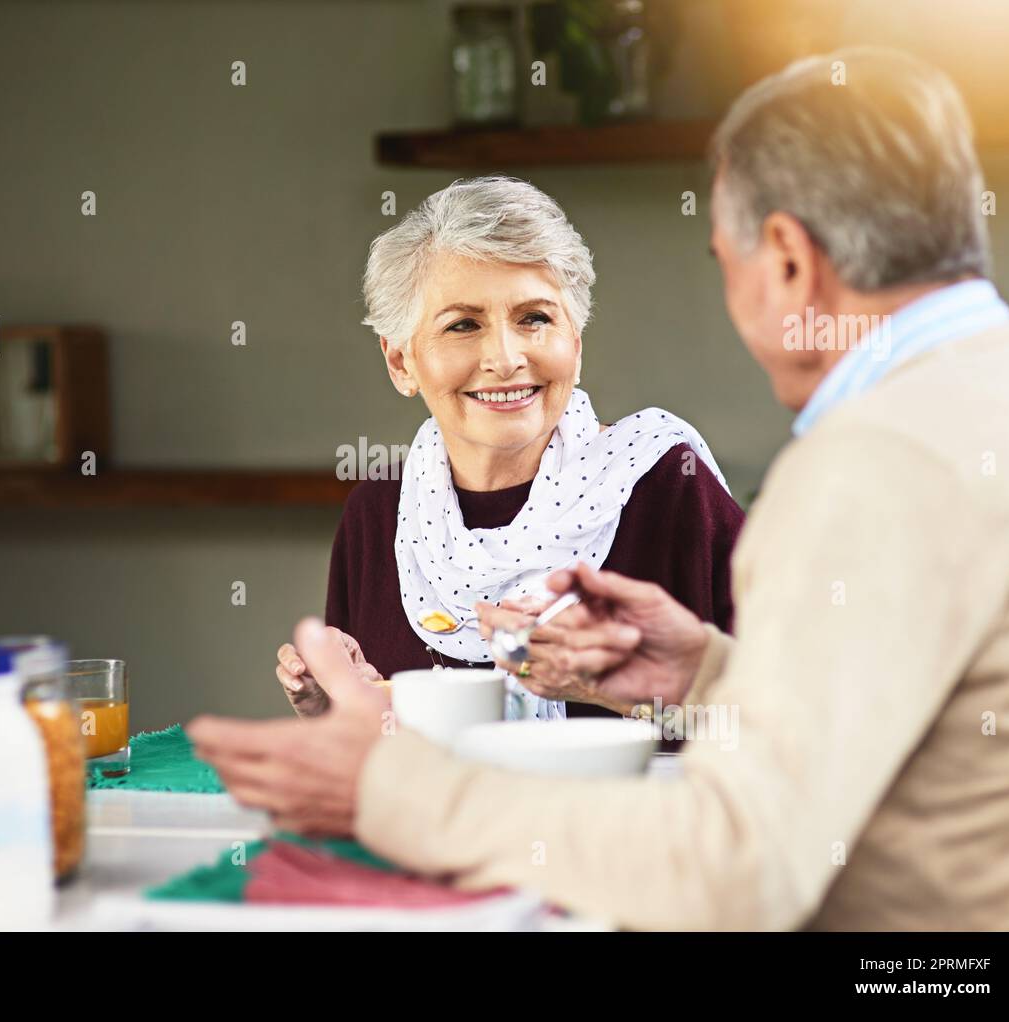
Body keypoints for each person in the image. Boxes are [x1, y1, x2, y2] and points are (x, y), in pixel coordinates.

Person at [193, 47, 1009, 929]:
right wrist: (702, 677)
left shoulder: (867, 464)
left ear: (787, 260)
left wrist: (392, 789)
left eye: (725, 260)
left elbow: (734, 869)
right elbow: (911, 738)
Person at [276, 177, 744, 722]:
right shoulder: (379, 512)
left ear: (575, 341)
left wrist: (625, 693)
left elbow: (783, 726)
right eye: (463, 325)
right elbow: (378, 767)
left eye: (535, 319)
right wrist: (347, 711)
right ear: (401, 362)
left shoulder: (670, 486)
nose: (504, 357)